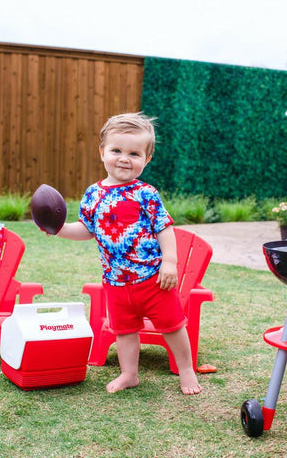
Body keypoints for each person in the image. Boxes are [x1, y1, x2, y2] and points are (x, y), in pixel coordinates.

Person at [56, 112, 202, 395]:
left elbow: (164, 228)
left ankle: (186, 370)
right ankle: (129, 374)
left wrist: (169, 262)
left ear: (147, 159)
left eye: (134, 153)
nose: (124, 158)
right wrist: (59, 229)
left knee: (172, 326)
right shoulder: (93, 194)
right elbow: (87, 229)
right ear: (102, 153)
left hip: (152, 279)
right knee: (124, 331)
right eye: (116, 150)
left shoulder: (146, 193)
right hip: (115, 281)